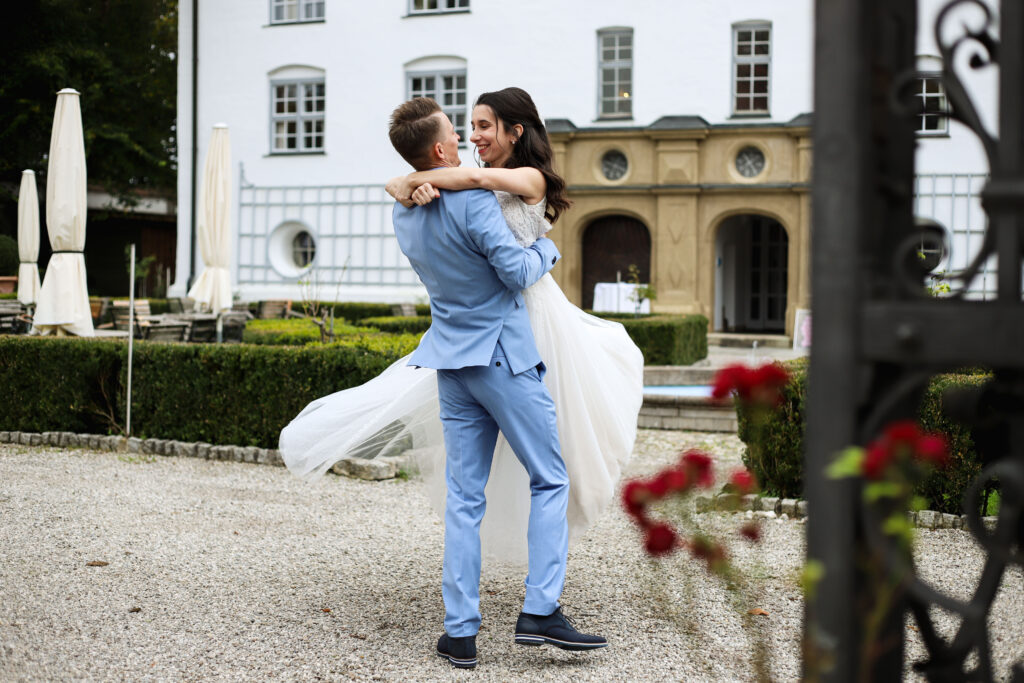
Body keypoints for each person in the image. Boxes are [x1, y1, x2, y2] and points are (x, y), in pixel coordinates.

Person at [387, 96, 607, 667]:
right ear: (441, 150)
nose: (465, 139)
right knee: (550, 478)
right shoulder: (475, 201)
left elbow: (421, 197)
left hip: (451, 363)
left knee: (464, 499)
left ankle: (459, 632)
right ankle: (540, 609)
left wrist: (408, 182)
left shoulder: (405, 211)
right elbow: (514, 273)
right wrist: (548, 249)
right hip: (503, 357)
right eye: (455, 133)